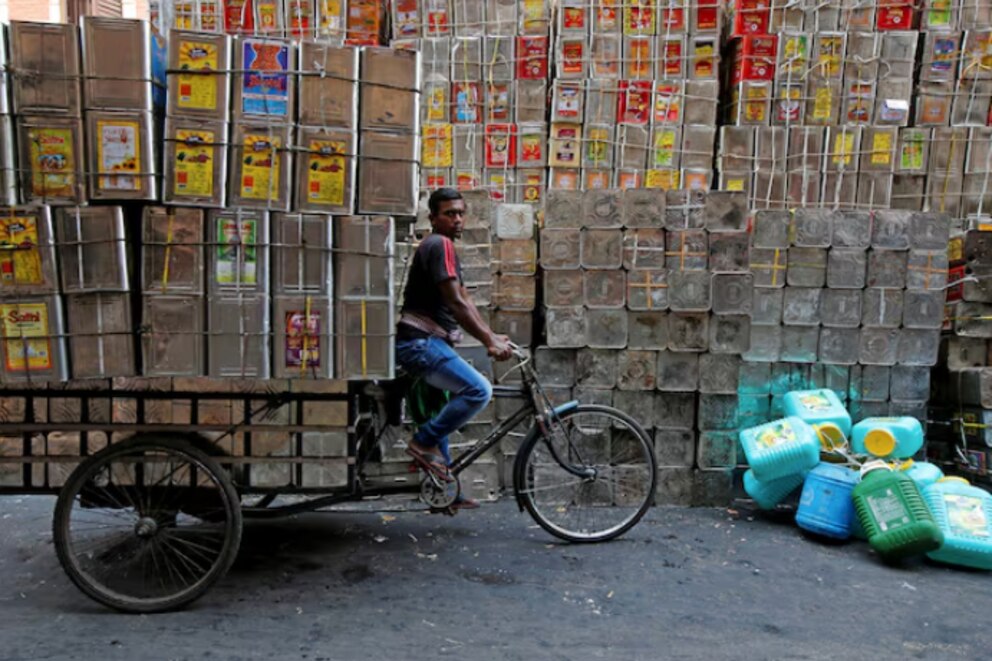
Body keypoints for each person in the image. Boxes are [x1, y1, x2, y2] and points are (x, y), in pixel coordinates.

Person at [395, 188, 513, 510]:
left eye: (460, 213)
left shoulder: (443, 248)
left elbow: (465, 299)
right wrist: (488, 341)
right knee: (479, 391)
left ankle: (445, 492)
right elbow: (456, 303)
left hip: (426, 342)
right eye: (449, 214)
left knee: (438, 412)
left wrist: (492, 335)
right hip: (421, 343)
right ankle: (422, 443)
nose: (457, 219)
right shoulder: (439, 244)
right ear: (433, 218)